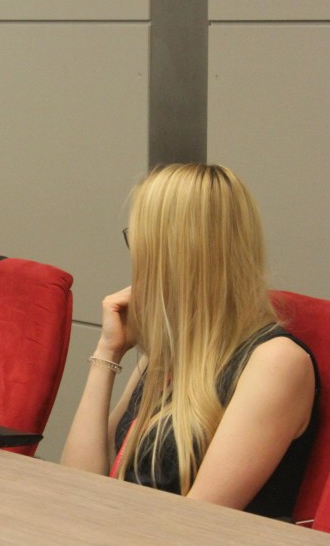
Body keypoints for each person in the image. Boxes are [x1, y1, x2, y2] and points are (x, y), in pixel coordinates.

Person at [60, 164, 317, 519]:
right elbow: (76, 485)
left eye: (139, 240)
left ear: (173, 252)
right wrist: (108, 352)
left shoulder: (275, 363)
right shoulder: (171, 349)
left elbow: (195, 523)